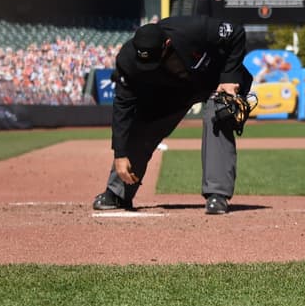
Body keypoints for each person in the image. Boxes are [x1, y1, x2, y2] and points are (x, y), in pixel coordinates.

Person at [92, 16, 250, 215]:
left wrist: (230, 78)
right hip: (171, 92)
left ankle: (217, 195)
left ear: (167, 44)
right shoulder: (127, 59)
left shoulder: (193, 29)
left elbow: (236, 32)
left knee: (219, 113)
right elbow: (123, 106)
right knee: (143, 126)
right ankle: (118, 192)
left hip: (216, 80)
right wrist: (120, 154)